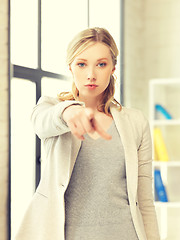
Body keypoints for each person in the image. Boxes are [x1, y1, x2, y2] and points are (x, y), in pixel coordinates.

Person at [15, 27, 160, 240]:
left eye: (101, 64)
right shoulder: (52, 109)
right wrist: (69, 111)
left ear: (112, 68)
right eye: (81, 64)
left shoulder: (136, 122)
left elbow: (145, 200)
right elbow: (41, 121)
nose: (91, 75)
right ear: (70, 67)